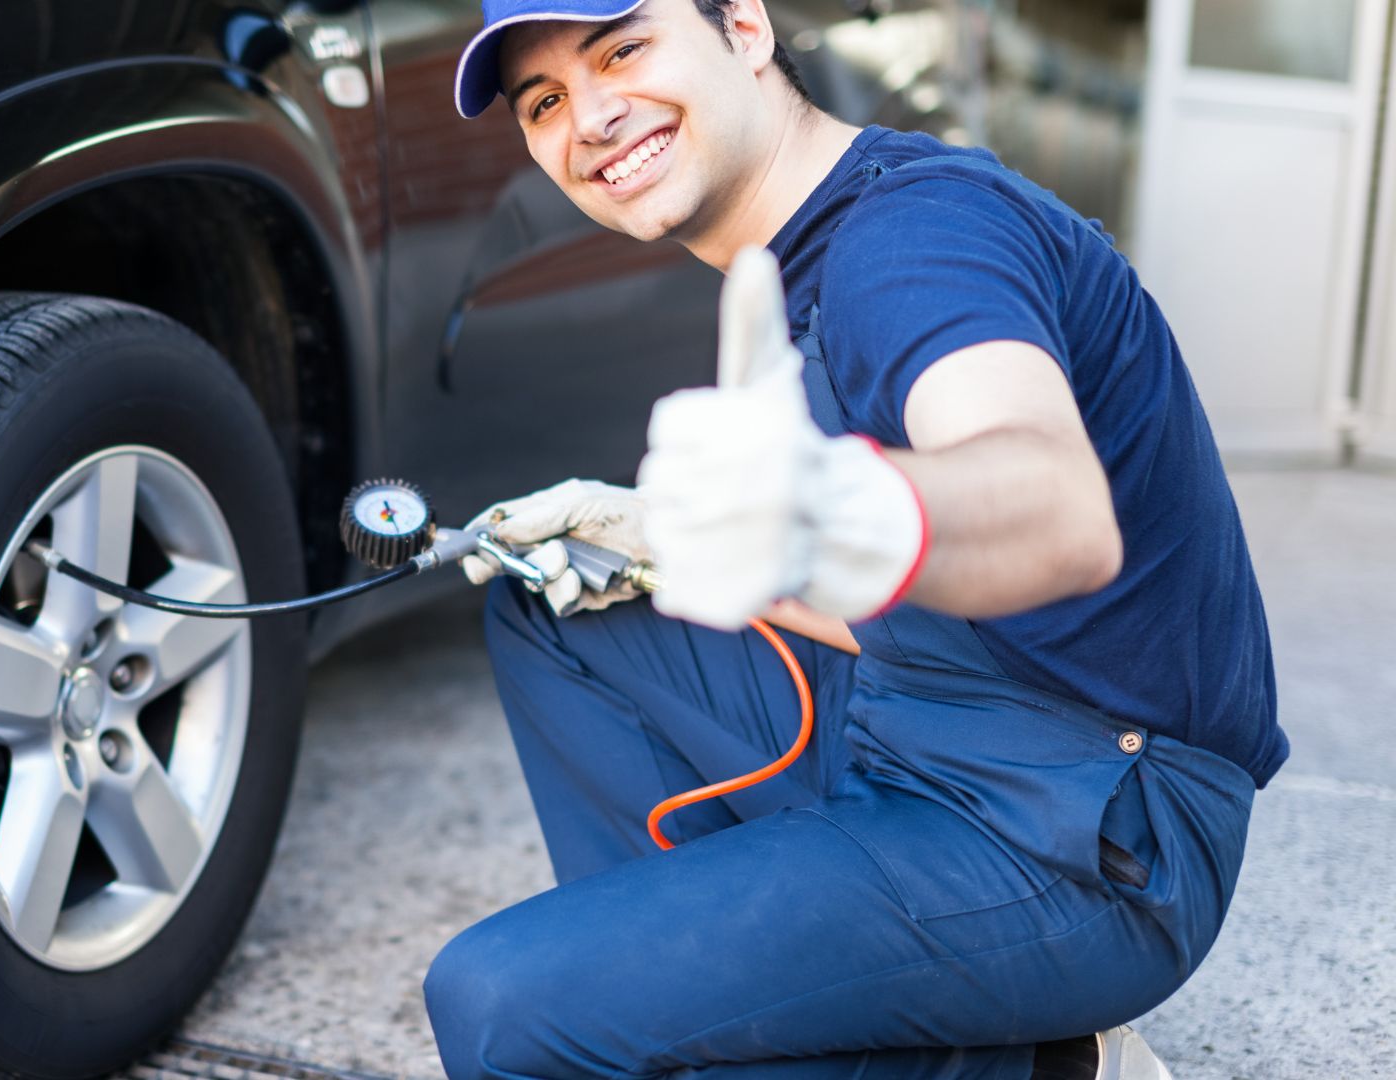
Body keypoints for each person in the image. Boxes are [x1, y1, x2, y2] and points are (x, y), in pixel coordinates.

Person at [418, 1, 1288, 1077]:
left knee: (501, 1005)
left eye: (624, 49)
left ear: (743, 26)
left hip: (1089, 832)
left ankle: (1033, 1065)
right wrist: (647, 539)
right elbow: (944, 611)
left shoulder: (913, 238)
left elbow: (1054, 505)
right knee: (554, 611)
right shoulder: (795, 249)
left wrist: (838, 507)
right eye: (543, 101)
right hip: (942, 725)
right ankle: (756, 1014)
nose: (590, 117)